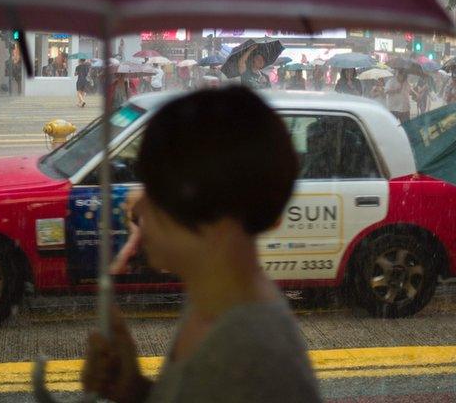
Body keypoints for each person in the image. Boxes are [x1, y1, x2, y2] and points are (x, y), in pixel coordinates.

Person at [81, 87, 322, 403]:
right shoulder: (213, 304)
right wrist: (135, 390)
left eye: (158, 189)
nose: (138, 209)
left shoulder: (249, 360)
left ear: (219, 215)